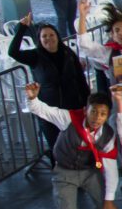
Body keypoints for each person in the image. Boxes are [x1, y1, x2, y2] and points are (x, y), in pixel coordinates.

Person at [24, 83, 122, 209]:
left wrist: (109, 199)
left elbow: (111, 168)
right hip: (65, 171)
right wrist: (33, 99)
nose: (97, 117)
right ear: (86, 110)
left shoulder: (108, 135)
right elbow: (43, 111)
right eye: (93, 112)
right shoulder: (69, 119)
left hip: (91, 172)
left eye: (103, 114)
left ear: (107, 116)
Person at [9, 13, 90, 162]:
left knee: (78, 145)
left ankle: (82, 176)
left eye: (51, 35)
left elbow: (80, 79)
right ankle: (60, 179)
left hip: (72, 109)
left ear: (57, 36)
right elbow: (12, 52)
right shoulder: (35, 56)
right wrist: (22, 28)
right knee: (56, 149)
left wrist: (87, 103)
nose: (48, 39)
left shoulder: (68, 53)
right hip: (49, 111)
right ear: (39, 39)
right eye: (44, 36)